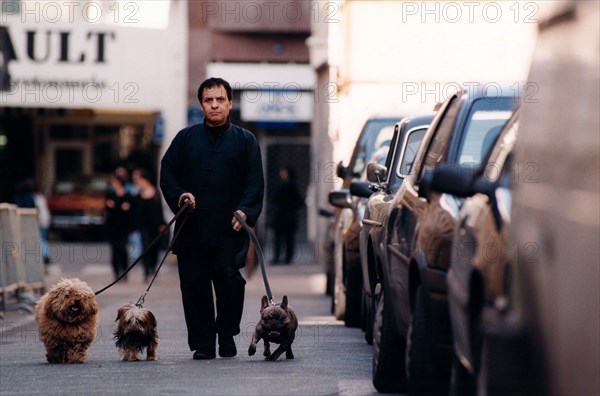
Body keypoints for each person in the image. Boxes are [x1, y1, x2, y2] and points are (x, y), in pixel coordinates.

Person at [160, 77, 264, 360]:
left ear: (230, 103)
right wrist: (181, 196)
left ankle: (226, 333)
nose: (214, 105)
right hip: (191, 228)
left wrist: (245, 211)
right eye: (208, 100)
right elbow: (167, 174)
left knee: (230, 283)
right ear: (201, 104)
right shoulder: (185, 139)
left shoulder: (246, 141)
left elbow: (255, 182)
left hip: (229, 229)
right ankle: (204, 343)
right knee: (194, 287)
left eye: (220, 100)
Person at [132, 168, 167, 282]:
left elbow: (159, 210)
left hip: (155, 225)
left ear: (144, 179)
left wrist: (162, 223)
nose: (136, 181)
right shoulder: (138, 194)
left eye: (138, 179)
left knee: (154, 248)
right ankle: (146, 271)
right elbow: (135, 212)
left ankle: (153, 268)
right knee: (145, 247)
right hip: (143, 226)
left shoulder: (155, 192)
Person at [105, 170, 135, 280]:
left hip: (124, 227)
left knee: (123, 249)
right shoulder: (110, 194)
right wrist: (119, 207)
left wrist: (116, 206)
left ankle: (124, 272)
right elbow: (108, 207)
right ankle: (116, 273)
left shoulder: (128, 195)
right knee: (114, 250)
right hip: (113, 227)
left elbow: (131, 211)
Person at [270, 166, 304, 264]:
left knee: (283, 238)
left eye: (283, 172)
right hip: (287, 216)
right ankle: (286, 258)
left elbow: (276, 198)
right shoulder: (291, 186)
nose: (281, 174)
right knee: (287, 238)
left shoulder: (287, 186)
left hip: (283, 216)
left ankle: (280, 257)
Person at [14, 178, 51, 265]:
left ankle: (44, 256)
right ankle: (44, 255)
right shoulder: (37, 197)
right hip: (41, 220)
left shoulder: (25, 197)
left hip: (35, 221)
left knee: (39, 239)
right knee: (41, 238)